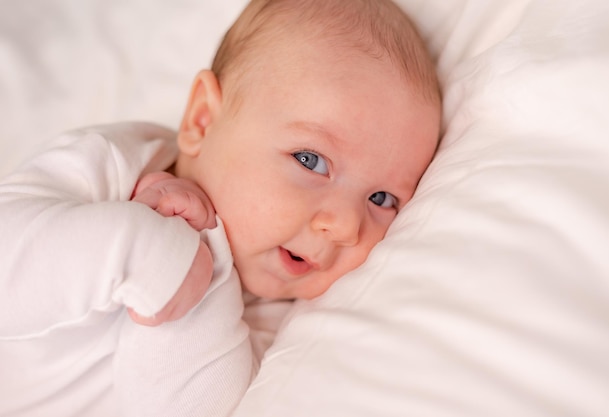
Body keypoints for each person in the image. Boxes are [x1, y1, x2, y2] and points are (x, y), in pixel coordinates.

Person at [0, 0, 441, 416]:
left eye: (381, 200)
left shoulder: (284, 318)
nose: (346, 225)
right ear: (202, 121)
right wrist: (139, 248)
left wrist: (198, 280)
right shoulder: (115, 164)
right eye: (311, 160)